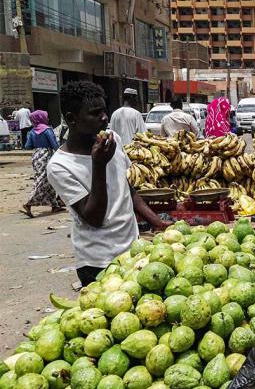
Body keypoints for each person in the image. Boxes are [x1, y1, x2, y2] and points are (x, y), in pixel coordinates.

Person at [47, 81, 171, 286]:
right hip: (98, 262)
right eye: (95, 113)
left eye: (104, 111)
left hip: (132, 252)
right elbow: (93, 217)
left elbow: (125, 187)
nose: (104, 118)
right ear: (72, 119)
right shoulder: (60, 166)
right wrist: (99, 165)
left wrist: (155, 221)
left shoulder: (113, 140)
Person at [21, 110, 64, 218]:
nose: (48, 119)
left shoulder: (31, 132)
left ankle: (54, 205)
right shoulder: (47, 130)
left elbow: (27, 146)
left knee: (46, 179)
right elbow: (54, 144)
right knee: (44, 179)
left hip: (36, 155)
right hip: (46, 155)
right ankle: (29, 203)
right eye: (46, 117)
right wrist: (61, 153)